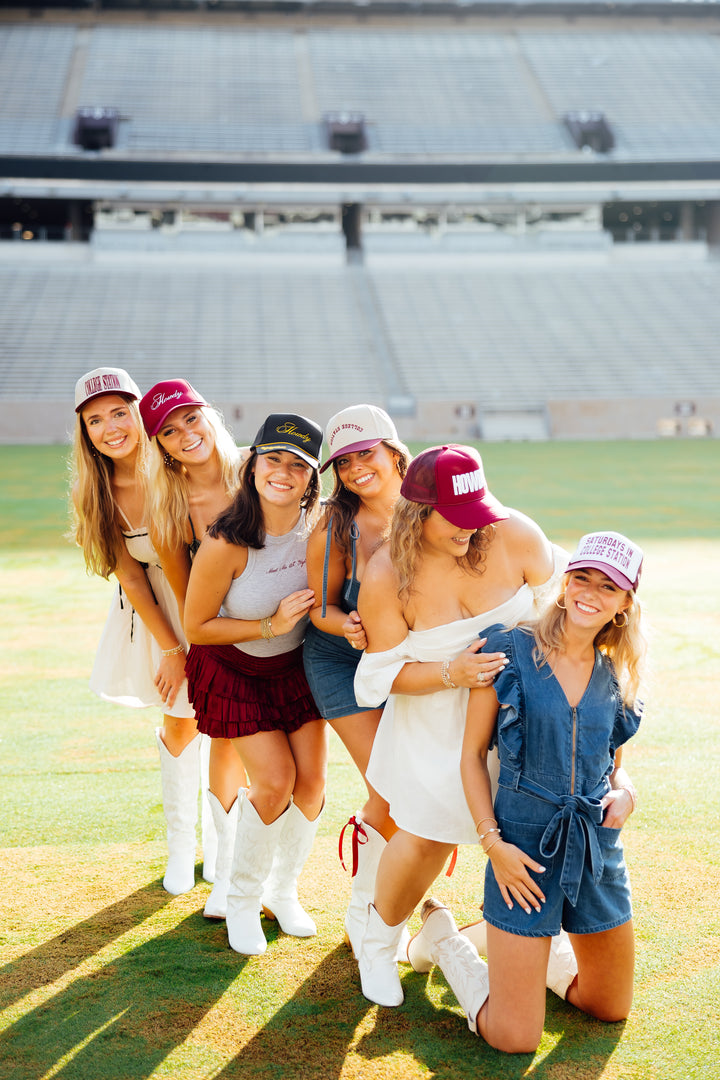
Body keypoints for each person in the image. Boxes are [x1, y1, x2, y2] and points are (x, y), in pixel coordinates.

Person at [407, 531, 645, 1054]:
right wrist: (494, 846)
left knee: (609, 1006)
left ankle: (535, 952)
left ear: (625, 603)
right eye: (582, 577)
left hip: (594, 855)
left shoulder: (615, 674)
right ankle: (446, 941)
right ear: (565, 582)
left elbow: (612, 766)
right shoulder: (509, 649)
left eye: (608, 587)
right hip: (521, 856)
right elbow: (471, 757)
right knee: (514, 1037)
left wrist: (625, 791)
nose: (590, 592)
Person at [352, 444, 569, 1006]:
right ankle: (378, 943)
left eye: (479, 515)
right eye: (458, 520)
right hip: (433, 725)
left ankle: (542, 938)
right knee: (424, 837)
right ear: (418, 511)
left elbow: (565, 604)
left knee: (530, 832)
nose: (473, 532)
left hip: (520, 723)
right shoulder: (386, 574)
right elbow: (380, 676)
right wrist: (453, 671)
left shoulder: (515, 533)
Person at [183, 412, 327, 956]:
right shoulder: (228, 538)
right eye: (274, 459)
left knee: (312, 784)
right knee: (273, 782)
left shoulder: (320, 528)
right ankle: (240, 901)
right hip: (234, 667)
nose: (283, 472)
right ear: (252, 464)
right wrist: (271, 625)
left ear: (312, 478)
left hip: (293, 670)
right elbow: (197, 625)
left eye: (298, 465)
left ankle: (280, 893)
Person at [71, 367, 203, 896]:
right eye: (95, 420)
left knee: (231, 725)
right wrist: (173, 647)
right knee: (179, 720)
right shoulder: (96, 489)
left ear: (139, 415)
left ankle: (220, 848)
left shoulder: (174, 464)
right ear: (84, 432)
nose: (111, 428)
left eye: (120, 412)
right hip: (157, 610)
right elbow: (130, 574)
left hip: (211, 597)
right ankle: (180, 846)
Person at [303, 404, 412, 958]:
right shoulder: (335, 521)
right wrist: (345, 624)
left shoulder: (430, 511)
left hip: (406, 663)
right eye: (342, 461)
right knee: (390, 789)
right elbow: (319, 608)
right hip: (340, 661)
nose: (354, 469)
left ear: (395, 453)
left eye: (365, 453)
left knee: (413, 791)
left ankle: (380, 905)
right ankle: (367, 912)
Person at [139, 379, 246, 917]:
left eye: (190, 419)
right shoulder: (170, 506)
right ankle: (208, 862)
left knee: (272, 757)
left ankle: (246, 871)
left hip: (284, 632)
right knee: (218, 738)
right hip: (219, 635)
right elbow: (186, 598)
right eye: (168, 431)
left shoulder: (254, 469)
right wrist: (190, 650)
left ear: (209, 416)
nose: (185, 435)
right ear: (157, 445)